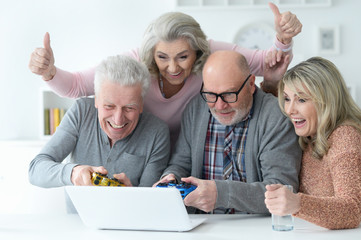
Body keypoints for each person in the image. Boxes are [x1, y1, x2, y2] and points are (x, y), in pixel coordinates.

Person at [28, 3, 302, 148]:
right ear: (151, 54)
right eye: (163, 58)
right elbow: (76, 85)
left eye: (183, 57)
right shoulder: (135, 61)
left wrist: (282, 39)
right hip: (144, 151)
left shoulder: (210, 52)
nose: (173, 68)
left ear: (197, 51)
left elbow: (266, 63)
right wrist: (49, 72)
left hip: (189, 154)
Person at [158, 50, 302, 214]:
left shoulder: (276, 116)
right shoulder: (196, 108)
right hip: (201, 224)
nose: (219, 106)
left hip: (253, 227)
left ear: (250, 84)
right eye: (211, 94)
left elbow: (281, 190)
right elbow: (181, 163)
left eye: (229, 94)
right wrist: (170, 178)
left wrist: (221, 193)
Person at [29, 55, 170, 189]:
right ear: (96, 100)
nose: (118, 119)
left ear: (141, 105)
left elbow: (150, 202)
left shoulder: (157, 132)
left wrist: (131, 193)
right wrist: (74, 173)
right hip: (77, 215)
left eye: (129, 108)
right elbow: (36, 169)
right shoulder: (82, 112)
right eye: (109, 106)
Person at [264, 57, 361, 229]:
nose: (290, 110)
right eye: (287, 99)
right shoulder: (310, 132)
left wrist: (298, 203)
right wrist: (271, 82)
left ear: (327, 100)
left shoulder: (345, 137)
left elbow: (353, 210)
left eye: (301, 99)